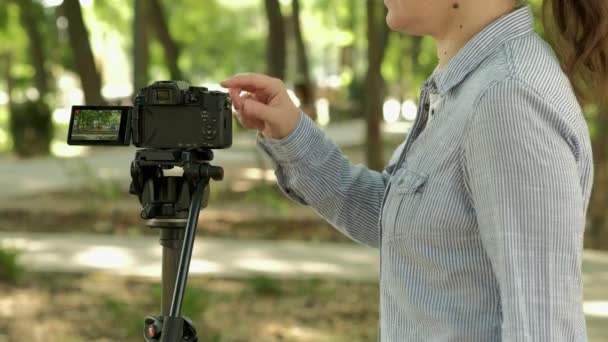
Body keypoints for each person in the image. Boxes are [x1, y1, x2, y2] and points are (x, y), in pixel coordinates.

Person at [221, 0, 608, 340]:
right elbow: (393, 221)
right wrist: (293, 134)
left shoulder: (507, 99)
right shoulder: (470, 87)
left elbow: (542, 327)